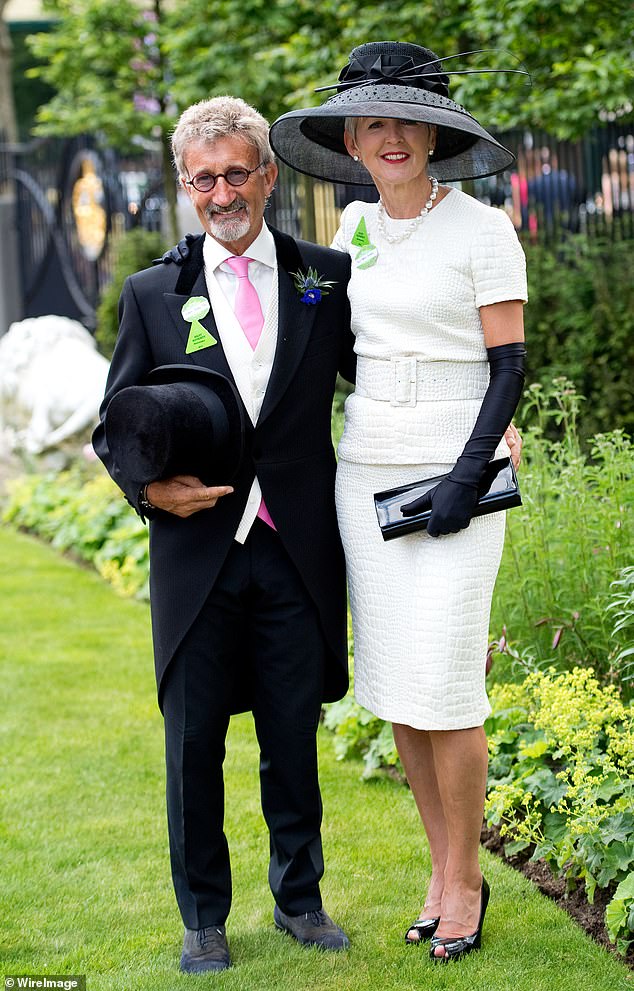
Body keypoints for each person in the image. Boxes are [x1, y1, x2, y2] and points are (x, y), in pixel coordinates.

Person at [269, 41, 528, 962]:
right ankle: (439, 868)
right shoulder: (351, 233)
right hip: (367, 461)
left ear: (433, 133)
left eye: (404, 121)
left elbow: (509, 362)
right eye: (371, 121)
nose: (388, 137)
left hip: (457, 456)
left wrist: (468, 471)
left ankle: (468, 880)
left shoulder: (485, 229)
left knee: (449, 685)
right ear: (352, 136)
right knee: (399, 691)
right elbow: (339, 347)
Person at [92, 95, 356, 973]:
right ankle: (204, 916)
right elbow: (112, 426)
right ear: (185, 186)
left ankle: (301, 899)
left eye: (236, 173)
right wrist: (149, 491)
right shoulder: (151, 290)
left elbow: (388, 370)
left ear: (269, 175)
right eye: (203, 179)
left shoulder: (326, 275)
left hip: (294, 547)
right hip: (197, 555)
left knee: (291, 734)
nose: (220, 193)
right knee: (194, 739)